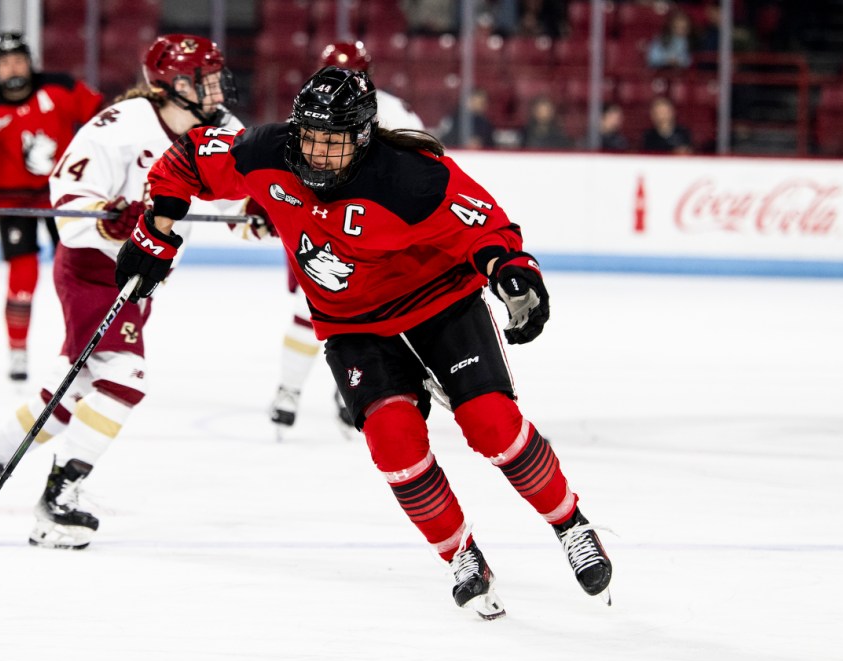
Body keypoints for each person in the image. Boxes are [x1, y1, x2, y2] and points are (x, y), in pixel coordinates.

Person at [115, 66, 613, 617]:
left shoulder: (409, 176)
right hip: (351, 326)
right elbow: (186, 159)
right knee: (394, 444)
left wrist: (515, 276)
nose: (318, 155)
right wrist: (155, 232)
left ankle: (570, 524)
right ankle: (460, 555)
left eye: (334, 144)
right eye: (310, 139)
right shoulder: (266, 152)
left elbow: (488, 229)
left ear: (363, 137)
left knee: (492, 426)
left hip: (439, 305)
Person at [0, 34, 243, 550]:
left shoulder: (221, 130)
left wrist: (259, 216)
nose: (214, 89)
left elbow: (238, 192)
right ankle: (59, 499)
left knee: (66, 396)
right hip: (95, 272)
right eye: (202, 79)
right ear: (172, 85)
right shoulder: (119, 128)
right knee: (126, 378)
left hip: (143, 275)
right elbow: (69, 207)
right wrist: (107, 218)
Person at [268, 39, 424, 434]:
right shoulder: (309, 109)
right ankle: (289, 390)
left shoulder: (393, 112)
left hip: (370, 232)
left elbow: (421, 171)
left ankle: (353, 388)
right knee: (311, 311)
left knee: (371, 317)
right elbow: (281, 165)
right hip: (317, 225)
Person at [0, 32, 105, 381]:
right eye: (5, 63)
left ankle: (81, 348)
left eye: (18, 60)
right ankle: (17, 352)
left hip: (62, 200)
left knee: (75, 274)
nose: (13, 68)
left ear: (30, 62)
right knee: (23, 277)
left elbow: (105, 120)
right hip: (14, 203)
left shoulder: (61, 88)